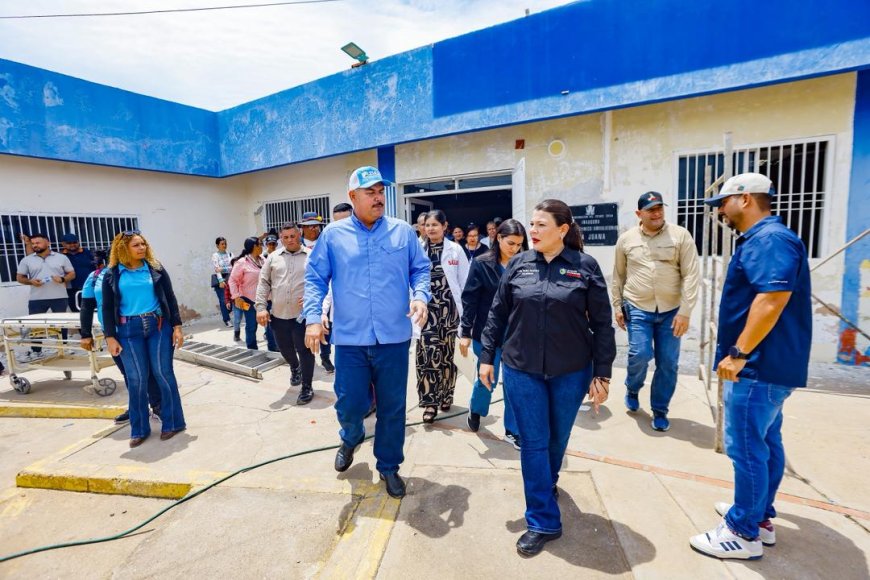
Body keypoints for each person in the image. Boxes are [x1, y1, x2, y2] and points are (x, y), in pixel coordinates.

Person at [480, 199, 615, 557]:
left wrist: (602, 374)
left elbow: (602, 324)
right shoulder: (519, 265)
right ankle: (542, 519)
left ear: (563, 230)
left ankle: (546, 482)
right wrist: (485, 357)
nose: (533, 232)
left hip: (570, 371)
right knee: (534, 442)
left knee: (557, 440)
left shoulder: (585, 267)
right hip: (522, 369)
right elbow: (497, 312)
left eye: (541, 225)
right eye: (532, 225)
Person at [689, 173, 812, 560]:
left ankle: (742, 532)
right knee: (766, 441)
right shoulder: (768, 238)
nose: (719, 212)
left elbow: (772, 299)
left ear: (744, 199)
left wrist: (739, 353)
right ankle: (758, 517)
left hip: (758, 366)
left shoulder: (770, 239)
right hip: (769, 365)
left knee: (745, 447)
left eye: (722, 204)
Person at [304, 165, 430, 499]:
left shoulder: (402, 232)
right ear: (352, 197)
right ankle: (351, 435)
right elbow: (316, 278)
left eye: (380, 192)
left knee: (392, 407)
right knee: (349, 403)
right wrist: (313, 318)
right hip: (350, 340)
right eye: (369, 192)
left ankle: (388, 466)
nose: (378, 198)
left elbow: (420, 269)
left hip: (393, 338)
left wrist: (420, 296)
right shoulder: (333, 235)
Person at [611, 191, 700, 431]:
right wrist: (617, 305)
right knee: (639, 354)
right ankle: (632, 387)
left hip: (671, 311)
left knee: (668, 362)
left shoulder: (680, 236)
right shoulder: (626, 239)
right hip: (638, 307)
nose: (657, 212)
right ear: (639, 214)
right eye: (651, 209)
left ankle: (660, 409)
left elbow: (691, 274)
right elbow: (618, 275)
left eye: (660, 207)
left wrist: (686, 311)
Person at [101, 231, 186, 448]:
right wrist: (110, 337)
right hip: (128, 330)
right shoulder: (112, 274)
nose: (142, 248)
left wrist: (177, 327)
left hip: (158, 325)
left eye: (143, 244)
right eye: (136, 245)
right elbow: (108, 307)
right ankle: (139, 429)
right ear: (123, 249)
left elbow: (170, 297)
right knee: (136, 378)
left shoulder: (155, 268)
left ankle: (173, 422)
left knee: (163, 373)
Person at [459, 219, 527, 448]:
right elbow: (469, 298)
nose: (515, 248)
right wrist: (465, 332)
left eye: (519, 244)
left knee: (514, 383)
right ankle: (477, 409)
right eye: (510, 243)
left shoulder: (525, 264)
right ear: (498, 238)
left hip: (516, 334)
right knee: (487, 378)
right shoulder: (481, 263)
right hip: (486, 333)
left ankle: (513, 430)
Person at [80, 250, 161, 425]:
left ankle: (157, 405)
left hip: (136, 328)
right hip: (113, 334)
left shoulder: (133, 273)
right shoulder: (95, 277)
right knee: (129, 373)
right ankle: (138, 408)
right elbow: (86, 306)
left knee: (148, 370)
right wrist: (85, 334)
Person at [416, 210, 469, 423]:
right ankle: (429, 403)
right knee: (427, 357)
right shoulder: (418, 250)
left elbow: (465, 283)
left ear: (444, 226)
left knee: (448, 356)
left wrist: (467, 317)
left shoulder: (456, 250)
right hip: (426, 312)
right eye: (427, 225)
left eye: (435, 225)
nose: (430, 229)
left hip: (450, 312)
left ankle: (446, 395)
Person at [256, 223, 314, 405]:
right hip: (279, 314)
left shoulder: (311, 256)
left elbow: (321, 280)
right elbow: (263, 282)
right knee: (285, 349)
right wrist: (261, 307)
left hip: (302, 315)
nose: (289, 240)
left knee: (305, 351)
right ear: (281, 238)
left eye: (293, 236)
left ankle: (307, 387)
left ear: (299, 235)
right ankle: (294, 367)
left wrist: (312, 298)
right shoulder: (272, 258)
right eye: (285, 237)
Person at [16, 233, 75, 352]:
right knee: (35, 325)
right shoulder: (27, 260)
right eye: (33, 244)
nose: (35, 245)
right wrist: (30, 281)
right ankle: (36, 351)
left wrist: (62, 279)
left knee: (61, 324)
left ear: (48, 243)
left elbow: (72, 274)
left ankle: (63, 348)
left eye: (38, 243)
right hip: (37, 298)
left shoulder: (61, 257)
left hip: (59, 296)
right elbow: (19, 278)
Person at [299, 211, 334, 372]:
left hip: (325, 292)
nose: (313, 229)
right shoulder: (295, 245)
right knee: (304, 330)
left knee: (325, 326)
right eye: (309, 226)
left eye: (316, 225)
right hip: (301, 294)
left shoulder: (327, 241)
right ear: (302, 228)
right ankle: (305, 363)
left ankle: (325, 357)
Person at [229, 237, 278, 351]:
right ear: (254, 247)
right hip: (249, 300)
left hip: (266, 298)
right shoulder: (242, 262)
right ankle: (252, 349)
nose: (262, 246)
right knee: (251, 326)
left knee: (270, 325)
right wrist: (236, 297)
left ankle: (273, 347)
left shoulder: (263, 259)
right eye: (260, 244)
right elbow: (232, 280)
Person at [61, 233, 94, 313]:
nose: (72, 245)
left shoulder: (88, 253)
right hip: (72, 290)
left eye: (75, 242)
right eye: (69, 243)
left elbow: (99, 266)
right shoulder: (61, 256)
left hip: (91, 287)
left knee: (94, 311)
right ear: (63, 244)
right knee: (76, 312)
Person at [211, 236, 233, 327]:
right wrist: (220, 280)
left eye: (225, 243)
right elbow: (216, 269)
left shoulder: (230, 254)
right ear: (217, 245)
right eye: (222, 244)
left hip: (230, 278)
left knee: (231, 299)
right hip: (221, 279)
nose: (224, 245)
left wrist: (223, 268)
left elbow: (233, 267)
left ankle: (227, 314)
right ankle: (226, 319)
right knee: (223, 300)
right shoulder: (215, 256)